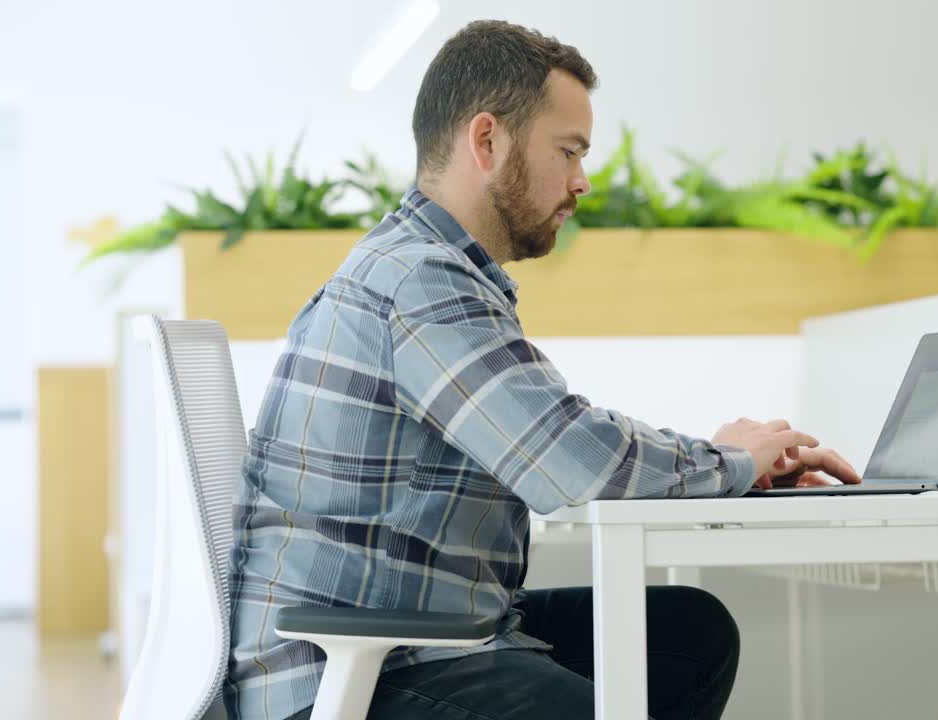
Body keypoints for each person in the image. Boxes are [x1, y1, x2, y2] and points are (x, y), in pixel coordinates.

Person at [225, 19, 861, 720]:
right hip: (353, 674)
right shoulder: (419, 281)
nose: (582, 181)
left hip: (409, 636)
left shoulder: (426, 267)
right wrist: (730, 461)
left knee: (690, 635)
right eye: (569, 151)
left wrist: (726, 461)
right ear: (488, 141)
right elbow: (569, 459)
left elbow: (562, 434)